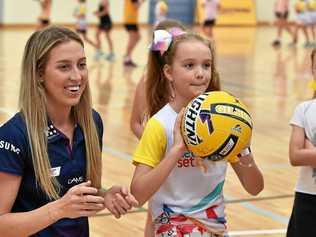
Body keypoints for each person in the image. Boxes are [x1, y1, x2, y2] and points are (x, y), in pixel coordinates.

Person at [0, 26, 138, 236]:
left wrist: (105, 195)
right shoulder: (14, 136)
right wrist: (59, 209)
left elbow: (77, 194)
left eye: (81, 65)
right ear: (39, 74)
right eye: (64, 67)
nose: (77, 76)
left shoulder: (92, 122)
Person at [130, 29, 264, 236]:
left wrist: (244, 149)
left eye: (206, 65)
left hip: (215, 229)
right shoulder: (160, 124)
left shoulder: (223, 122)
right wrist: (176, 151)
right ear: (168, 72)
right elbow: (137, 195)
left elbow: (254, 187)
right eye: (189, 65)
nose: (200, 73)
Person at [130, 19, 188, 237]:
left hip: (190, 160)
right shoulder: (148, 81)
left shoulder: (193, 82)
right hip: (162, 159)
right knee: (156, 214)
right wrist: (158, 145)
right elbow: (135, 123)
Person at [287, 48, 316, 237]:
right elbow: (295, 156)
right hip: (308, 198)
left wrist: (310, 149)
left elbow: (303, 153)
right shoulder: (304, 109)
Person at [123, 0, 144, 67]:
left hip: (131, 20)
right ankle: (127, 58)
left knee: (138, 37)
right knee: (132, 39)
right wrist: (142, 1)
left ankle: (127, 55)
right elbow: (136, 6)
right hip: (130, 21)